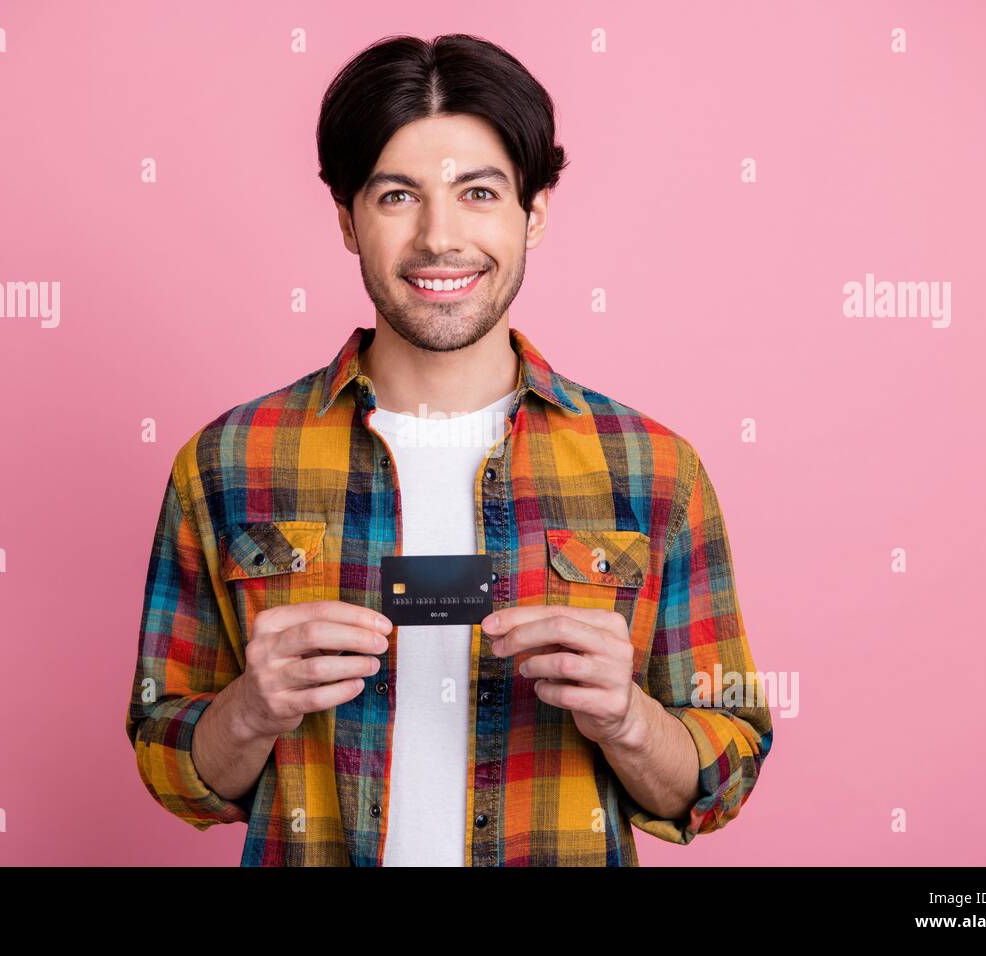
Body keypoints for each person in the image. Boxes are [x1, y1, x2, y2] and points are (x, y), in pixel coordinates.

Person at [125, 33, 773, 866]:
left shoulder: (654, 471)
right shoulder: (225, 463)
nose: (439, 238)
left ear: (532, 214)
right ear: (348, 221)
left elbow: (726, 768)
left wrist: (628, 719)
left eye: (477, 192)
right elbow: (165, 758)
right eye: (397, 196)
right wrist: (250, 709)